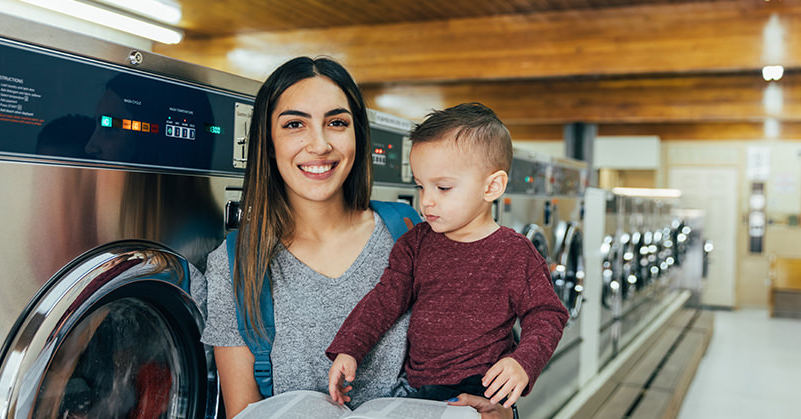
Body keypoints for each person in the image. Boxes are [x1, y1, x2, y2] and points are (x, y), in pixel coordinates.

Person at [200, 57, 516, 419]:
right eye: (294, 124)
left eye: (336, 122)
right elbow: (243, 413)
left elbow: (489, 341)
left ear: (357, 135)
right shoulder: (236, 264)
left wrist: (499, 410)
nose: (319, 144)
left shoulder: (413, 231)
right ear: (268, 142)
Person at [326, 103, 570, 410]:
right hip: (416, 387)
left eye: (443, 188)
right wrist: (349, 349)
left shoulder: (516, 253)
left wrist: (523, 362)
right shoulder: (415, 243)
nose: (426, 201)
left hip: (483, 390)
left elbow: (548, 314)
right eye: (420, 186)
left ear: (492, 186)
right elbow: (384, 300)